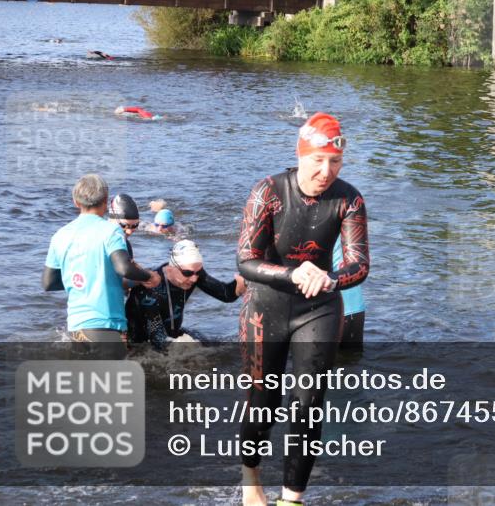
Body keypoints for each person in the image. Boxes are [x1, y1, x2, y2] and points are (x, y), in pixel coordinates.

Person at [237, 112, 369, 506]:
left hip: (319, 306)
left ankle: (291, 500)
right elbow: (246, 260)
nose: (326, 171)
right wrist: (293, 274)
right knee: (263, 401)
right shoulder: (268, 192)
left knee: (308, 403)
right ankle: (251, 481)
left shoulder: (349, 199)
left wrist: (330, 279)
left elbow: (359, 263)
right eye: (318, 160)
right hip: (265, 306)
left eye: (335, 162)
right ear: (300, 156)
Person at [42, 174, 161, 356]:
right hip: (106, 325)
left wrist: (87, 282)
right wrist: (149, 276)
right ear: (106, 201)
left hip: (76, 328)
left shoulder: (60, 235)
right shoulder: (111, 231)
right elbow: (124, 268)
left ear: (75, 202)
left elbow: (48, 283)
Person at [126, 240, 246, 350]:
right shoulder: (150, 291)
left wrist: (244, 281)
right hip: (139, 344)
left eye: (199, 272)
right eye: (188, 273)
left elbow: (226, 294)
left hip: (172, 333)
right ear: (170, 268)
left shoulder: (192, 272)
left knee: (223, 347)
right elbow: (158, 342)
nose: (194, 279)